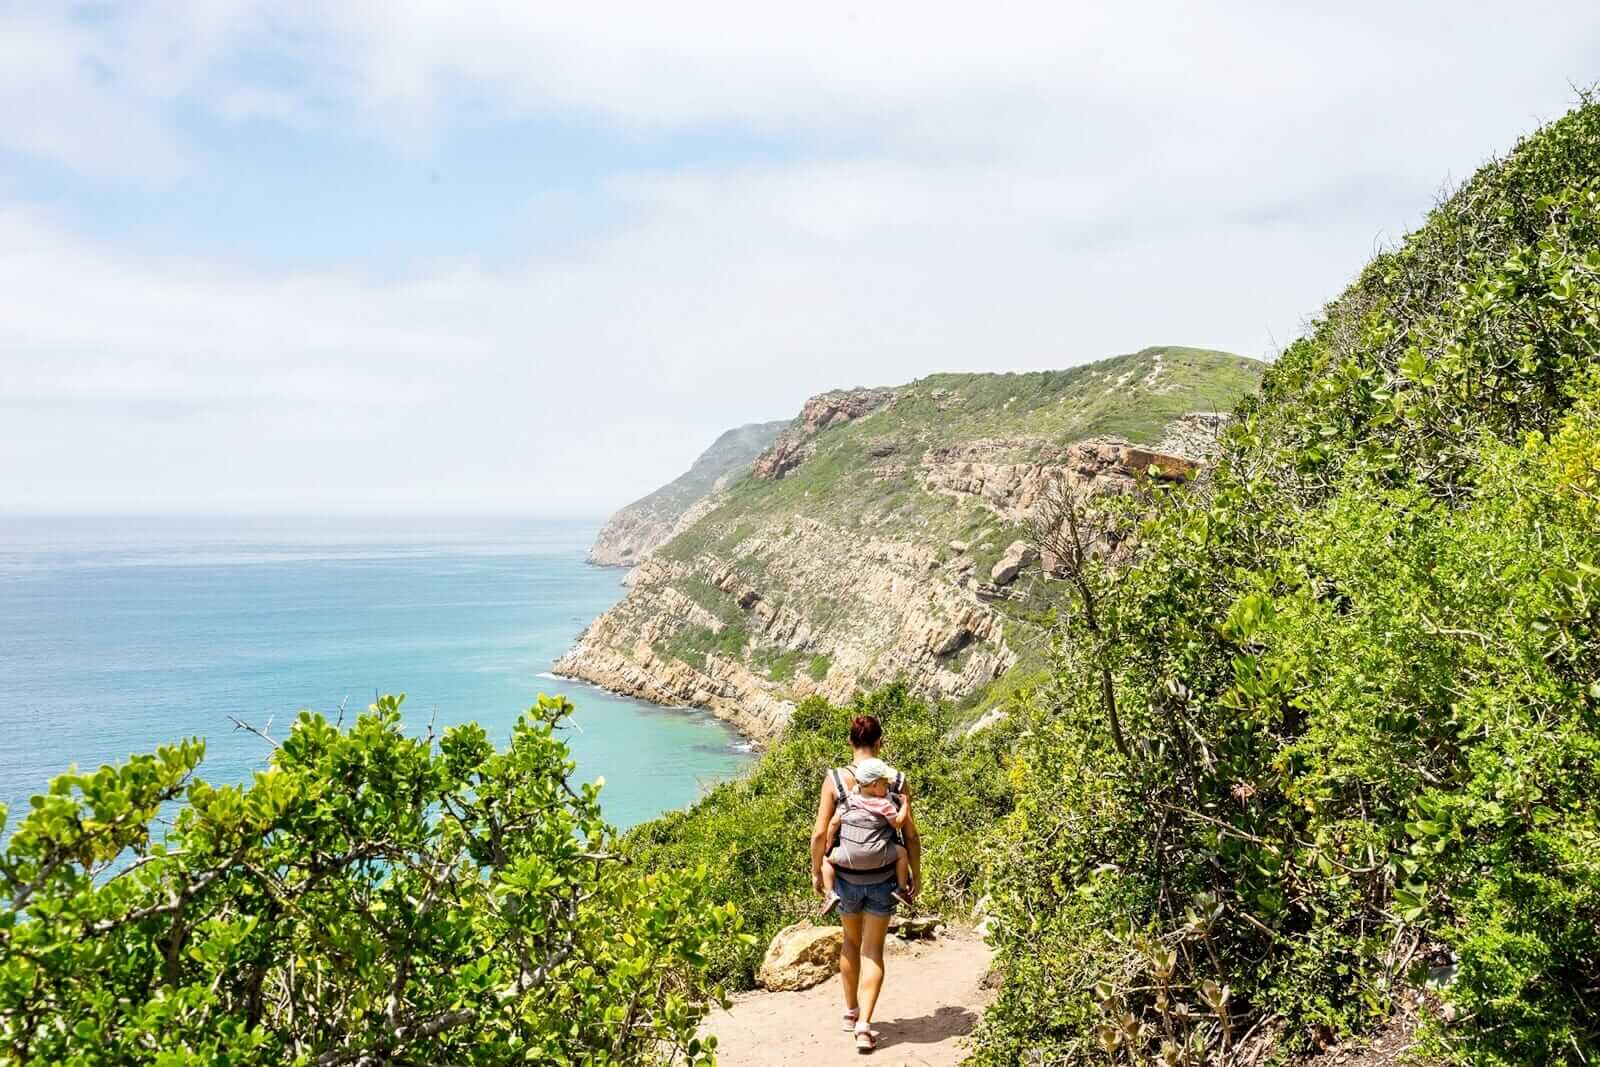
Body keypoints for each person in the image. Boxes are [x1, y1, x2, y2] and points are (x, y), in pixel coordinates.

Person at [810, 715, 922, 1053]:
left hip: (845, 878)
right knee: (873, 950)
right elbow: (910, 834)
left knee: (850, 942)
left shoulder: (835, 780)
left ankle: (849, 1012)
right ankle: (865, 1026)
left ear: (850, 743)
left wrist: (818, 871)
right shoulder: (896, 780)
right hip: (883, 879)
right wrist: (915, 874)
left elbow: (819, 833)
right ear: (880, 742)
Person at [817, 757, 912, 915]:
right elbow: (898, 823)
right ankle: (901, 889)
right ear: (875, 785)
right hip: (879, 856)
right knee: (902, 853)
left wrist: (829, 842)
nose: (888, 786)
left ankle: (830, 893)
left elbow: (833, 823)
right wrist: (905, 805)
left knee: (826, 860)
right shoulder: (884, 805)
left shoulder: (850, 801)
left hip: (847, 857)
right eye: (885, 783)